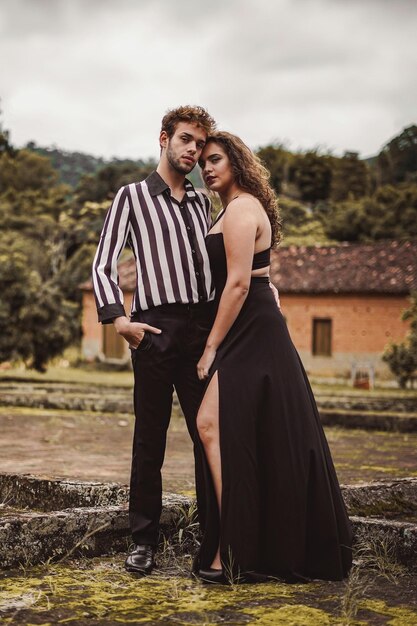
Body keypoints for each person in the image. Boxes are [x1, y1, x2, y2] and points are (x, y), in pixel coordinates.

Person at [194, 131, 352, 584]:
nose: (207, 168)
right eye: (203, 162)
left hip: (250, 328)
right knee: (231, 430)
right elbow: (251, 273)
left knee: (211, 425)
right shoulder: (231, 208)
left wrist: (210, 348)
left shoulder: (242, 208)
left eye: (216, 159)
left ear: (236, 163)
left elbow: (239, 283)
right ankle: (240, 546)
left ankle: (235, 550)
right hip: (247, 323)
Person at [92, 105, 217, 575]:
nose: (194, 150)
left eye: (201, 144)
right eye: (186, 139)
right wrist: (120, 320)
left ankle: (216, 536)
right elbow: (103, 262)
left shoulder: (204, 202)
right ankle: (143, 540)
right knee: (150, 441)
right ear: (163, 138)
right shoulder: (131, 197)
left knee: (209, 435)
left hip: (201, 330)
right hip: (154, 330)